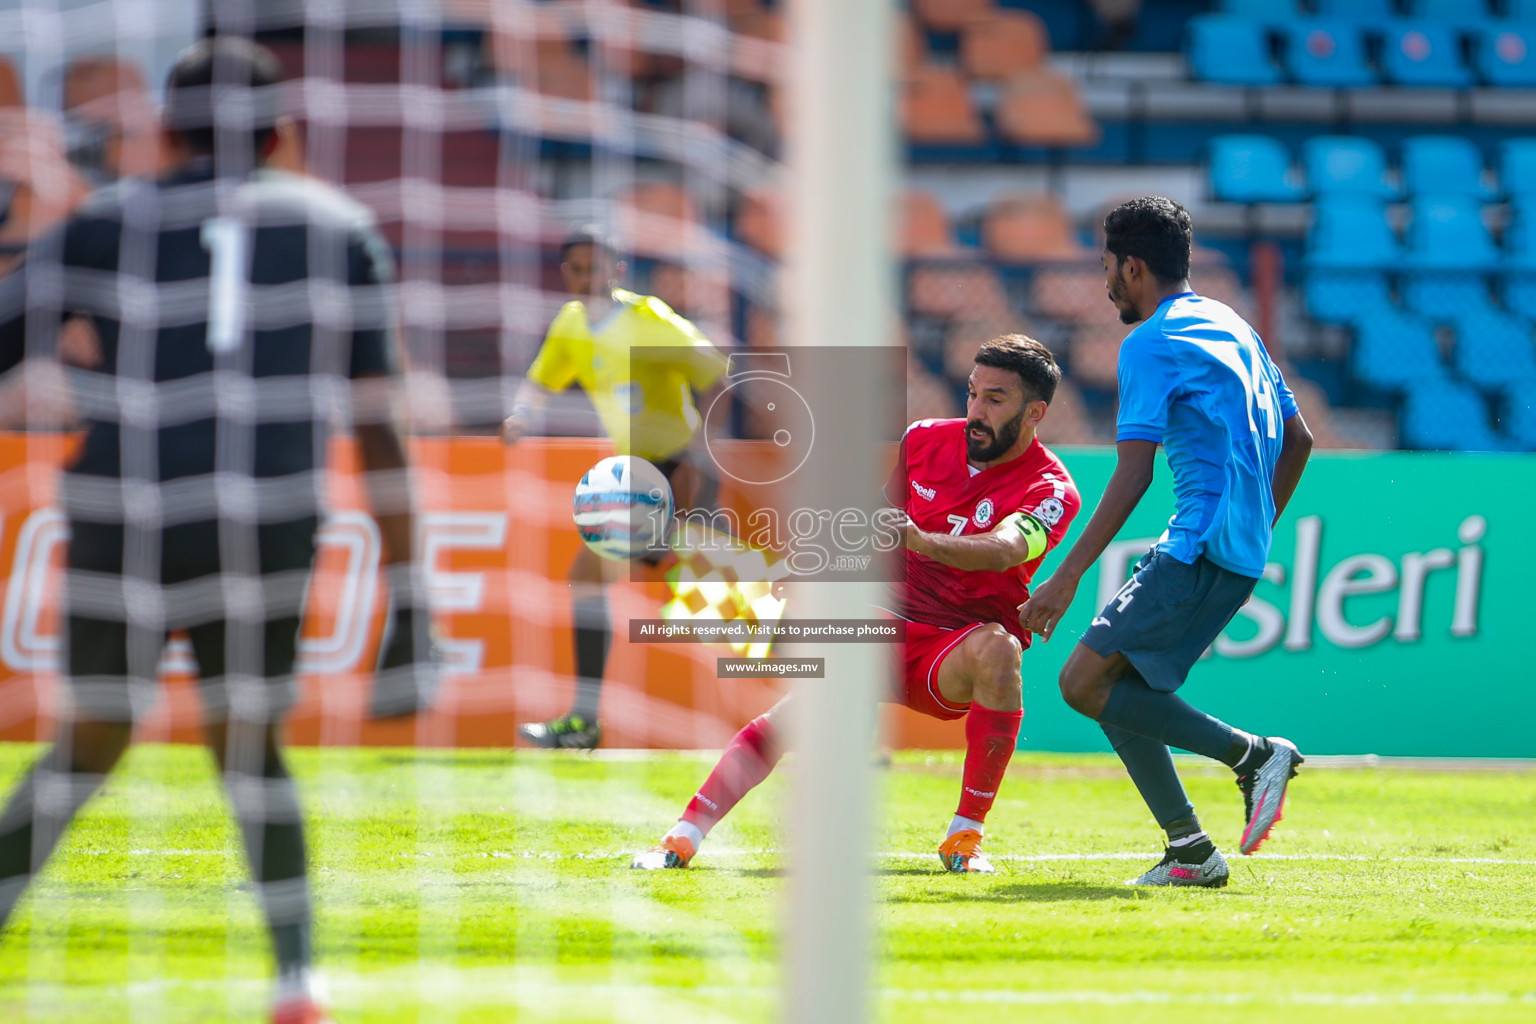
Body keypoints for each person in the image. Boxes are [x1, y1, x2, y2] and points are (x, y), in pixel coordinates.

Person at [0, 38, 436, 1024]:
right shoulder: (338, 226)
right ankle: (296, 980)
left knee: (88, 742)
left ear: (165, 130)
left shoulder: (104, 219)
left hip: (127, 508)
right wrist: (412, 605)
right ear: (282, 133)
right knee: (250, 741)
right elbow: (379, 426)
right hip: (267, 513)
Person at [632, 335, 1081, 873]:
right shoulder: (921, 442)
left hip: (955, 650)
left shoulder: (1052, 488)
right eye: (971, 393)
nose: (975, 412)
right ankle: (683, 836)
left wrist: (923, 541)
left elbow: (1006, 548)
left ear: (1036, 412)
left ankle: (964, 840)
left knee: (1000, 650)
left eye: (995, 399)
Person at [1018, 196, 1314, 889]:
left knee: (1080, 681)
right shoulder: (1232, 324)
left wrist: (1065, 576)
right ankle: (1188, 849)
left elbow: (1133, 473)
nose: (1107, 283)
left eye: (1109, 268)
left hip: (1198, 545)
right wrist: (1257, 524)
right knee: (1111, 686)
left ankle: (1253, 756)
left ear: (1133, 265)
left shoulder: (1150, 343)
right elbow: (1299, 440)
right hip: (1236, 549)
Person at [503, 227, 726, 750]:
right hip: (637, 474)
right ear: (566, 273)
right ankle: (582, 721)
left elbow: (715, 370)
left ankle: (844, 715)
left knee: (720, 601)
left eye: (596, 267)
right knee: (602, 580)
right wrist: (520, 415)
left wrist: (702, 466)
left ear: (617, 270)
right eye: (576, 269)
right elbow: (541, 380)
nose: (586, 278)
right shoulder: (571, 324)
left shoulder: (647, 318)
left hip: (678, 470)